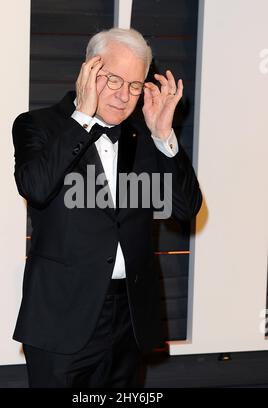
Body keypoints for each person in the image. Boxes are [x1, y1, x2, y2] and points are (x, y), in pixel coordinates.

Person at [12, 27, 202, 388]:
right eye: (114, 79)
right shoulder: (39, 126)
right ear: (88, 71)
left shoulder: (144, 137)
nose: (123, 95)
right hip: (62, 317)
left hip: (127, 317)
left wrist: (163, 135)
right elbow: (35, 187)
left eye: (134, 85)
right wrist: (82, 118)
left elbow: (185, 209)